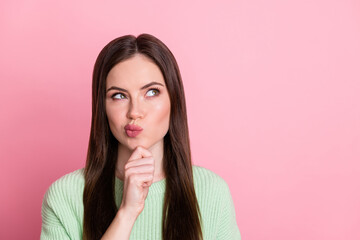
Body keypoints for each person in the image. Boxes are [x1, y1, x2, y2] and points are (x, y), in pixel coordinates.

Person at [40, 33, 241, 240]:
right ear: (102, 107)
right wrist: (127, 213)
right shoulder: (64, 196)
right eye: (119, 96)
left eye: (152, 92)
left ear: (174, 100)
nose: (135, 111)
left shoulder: (212, 192)